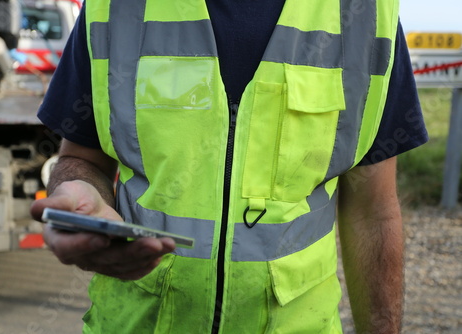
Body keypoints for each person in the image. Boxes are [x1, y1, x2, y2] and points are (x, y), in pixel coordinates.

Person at [31, 0, 428, 333]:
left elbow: (373, 209)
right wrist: (78, 197)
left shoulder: (364, 13)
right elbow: (81, 160)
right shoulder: (115, 7)